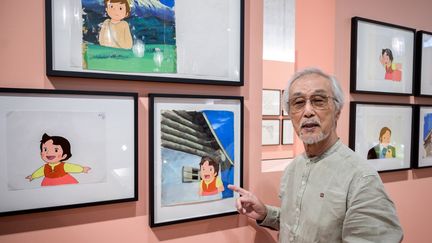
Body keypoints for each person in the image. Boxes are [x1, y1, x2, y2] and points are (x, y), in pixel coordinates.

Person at [228, 68, 403, 242]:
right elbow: (300, 225)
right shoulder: (293, 169)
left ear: (337, 111)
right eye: (298, 103)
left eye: (318, 101)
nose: (308, 111)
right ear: (290, 115)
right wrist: (266, 213)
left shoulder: (361, 179)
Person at [26, 133, 91, 186]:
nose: (49, 153)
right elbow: (39, 172)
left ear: (64, 155)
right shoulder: (45, 167)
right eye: (45, 149)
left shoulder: (64, 166)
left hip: (65, 182)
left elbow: (73, 167)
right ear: (41, 153)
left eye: (56, 150)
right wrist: (32, 176)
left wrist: (82, 169)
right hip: (48, 183)